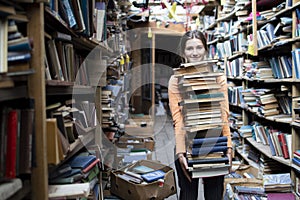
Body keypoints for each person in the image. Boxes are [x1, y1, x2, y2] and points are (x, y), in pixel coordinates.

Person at [168, 30, 232, 200]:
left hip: (215, 144)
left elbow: (223, 115)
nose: (194, 53)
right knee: (188, 195)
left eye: (198, 47)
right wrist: (181, 152)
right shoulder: (176, 80)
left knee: (214, 195)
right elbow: (178, 118)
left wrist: (229, 148)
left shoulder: (218, 78)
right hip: (188, 144)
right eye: (189, 48)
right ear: (183, 52)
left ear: (205, 49)